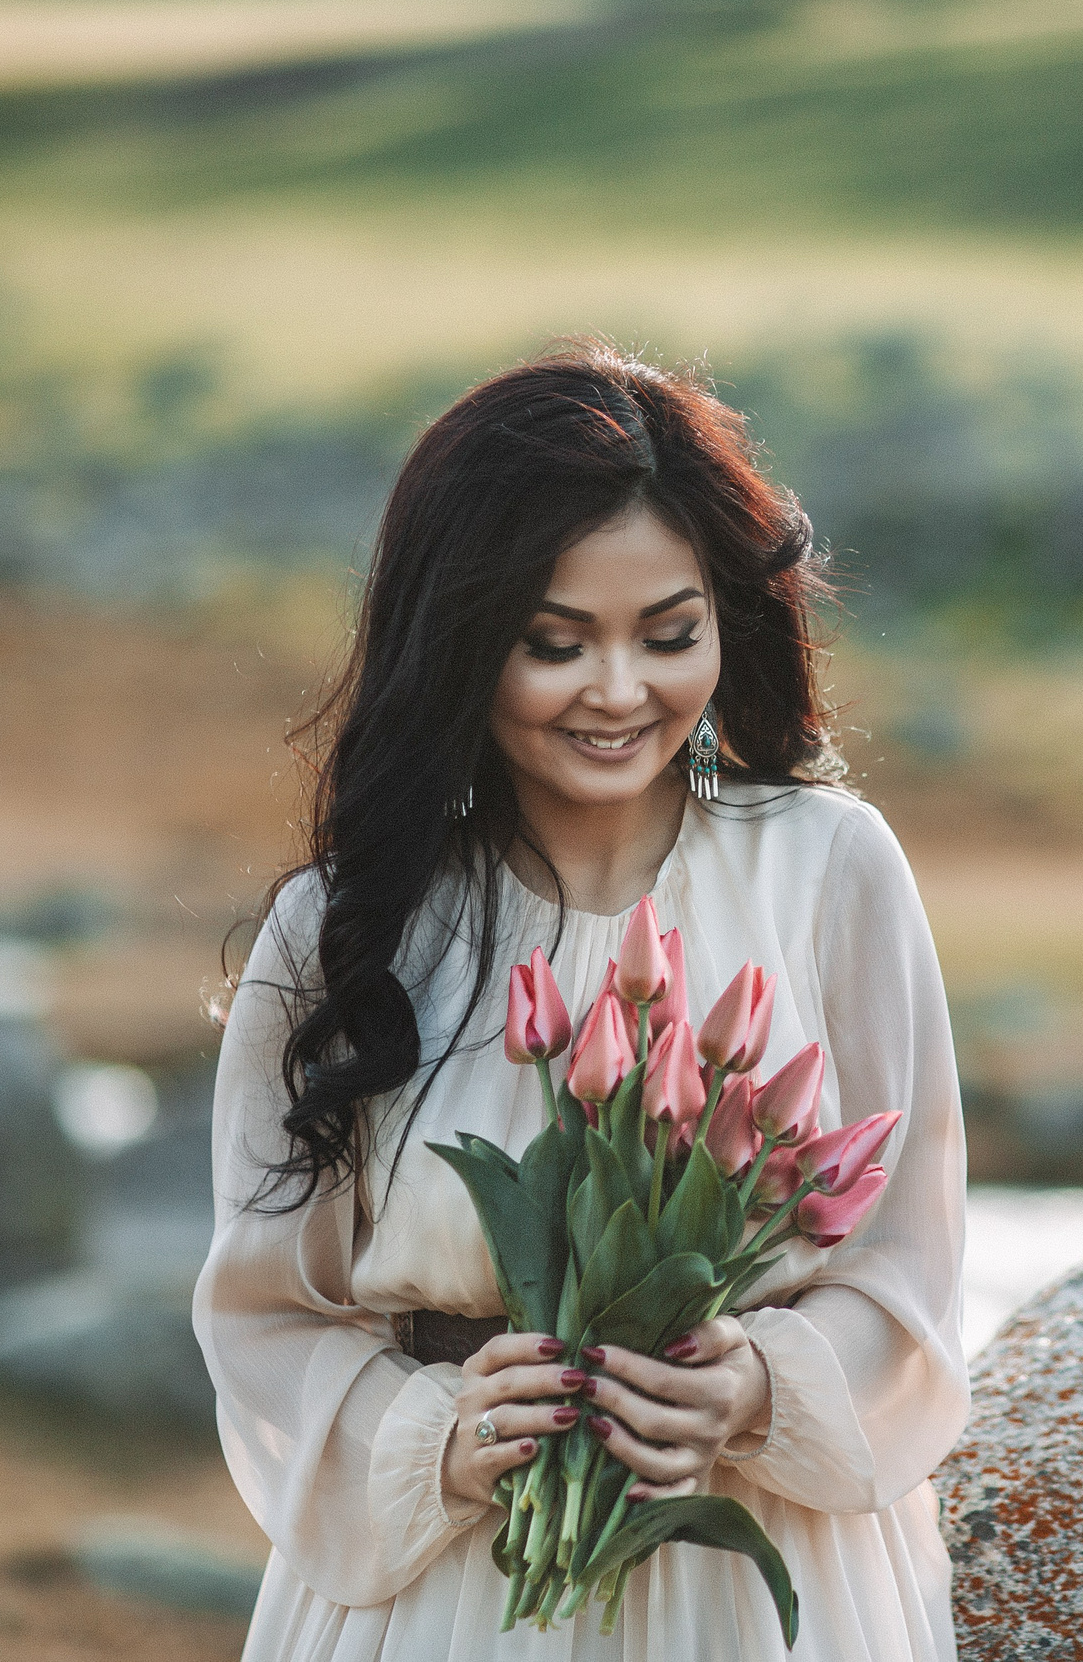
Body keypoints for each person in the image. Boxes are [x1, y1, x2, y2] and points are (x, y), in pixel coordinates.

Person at [192, 341, 968, 1660]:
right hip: (459, 1581)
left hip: (759, 1570)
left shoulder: (828, 865)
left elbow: (908, 1258)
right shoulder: (347, 923)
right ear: (462, 642)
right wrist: (434, 1433)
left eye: (670, 635)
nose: (620, 693)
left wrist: (758, 1387)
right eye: (555, 645)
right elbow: (262, 1312)